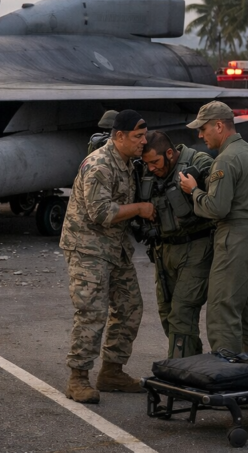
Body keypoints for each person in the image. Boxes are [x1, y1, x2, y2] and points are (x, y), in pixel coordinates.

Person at [61, 109, 152, 404]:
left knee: (130, 308)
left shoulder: (126, 162)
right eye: (138, 137)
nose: (143, 142)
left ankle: (112, 371)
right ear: (120, 136)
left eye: (144, 136)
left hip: (115, 247)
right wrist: (139, 208)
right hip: (89, 249)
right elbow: (100, 213)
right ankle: (78, 378)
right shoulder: (100, 164)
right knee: (92, 313)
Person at [179, 101, 248, 355]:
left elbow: (216, 208)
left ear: (219, 126)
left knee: (222, 310)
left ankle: (227, 376)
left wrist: (193, 190)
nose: (200, 135)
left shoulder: (226, 159)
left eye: (203, 129)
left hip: (236, 238)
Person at [141, 130, 215, 359]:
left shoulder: (198, 163)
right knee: (167, 313)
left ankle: (178, 372)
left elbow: (220, 196)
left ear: (170, 153)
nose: (151, 168)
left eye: (155, 162)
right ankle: (192, 363)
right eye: (148, 164)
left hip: (196, 248)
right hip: (163, 251)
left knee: (182, 312)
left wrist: (195, 188)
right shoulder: (147, 171)